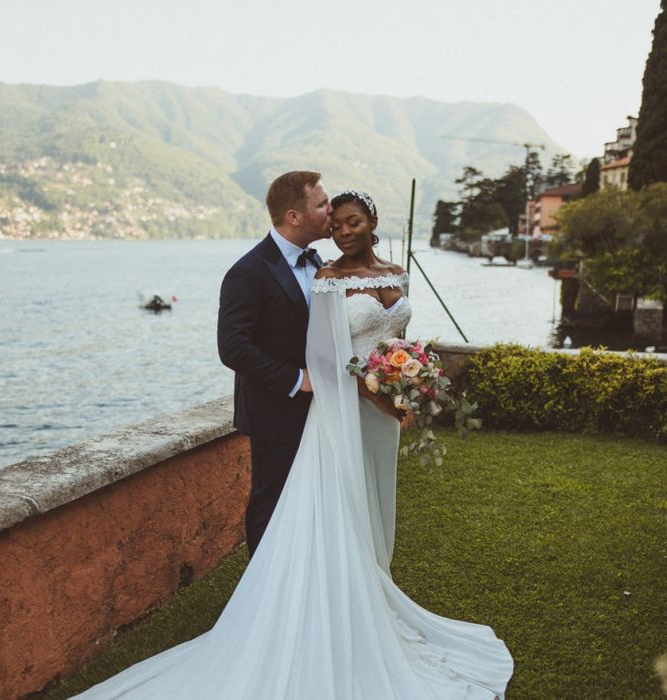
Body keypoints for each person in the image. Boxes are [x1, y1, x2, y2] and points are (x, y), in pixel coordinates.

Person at [74, 189, 513, 699]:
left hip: (383, 416)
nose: (343, 230)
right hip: (345, 410)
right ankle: (321, 612)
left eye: (353, 222)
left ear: (372, 222)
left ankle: (372, 595)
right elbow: (325, 358)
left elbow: (399, 342)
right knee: (335, 506)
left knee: (375, 506)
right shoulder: (326, 279)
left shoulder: (396, 273)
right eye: (336, 221)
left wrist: (409, 382)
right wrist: (377, 391)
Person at [217, 170, 332, 557]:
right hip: (274, 410)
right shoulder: (247, 272)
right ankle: (263, 598)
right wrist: (296, 379)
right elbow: (232, 347)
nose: (331, 210)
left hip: (321, 410)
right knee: (272, 502)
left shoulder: (319, 263)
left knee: (311, 500)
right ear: (294, 217)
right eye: (322, 204)